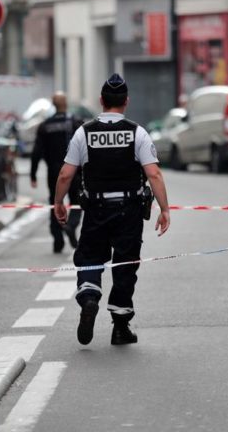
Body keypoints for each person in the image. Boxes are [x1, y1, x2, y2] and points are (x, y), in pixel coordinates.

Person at [53, 73, 170, 346]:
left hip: (95, 208)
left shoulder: (84, 132)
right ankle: (120, 327)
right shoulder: (137, 132)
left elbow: (65, 174)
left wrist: (59, 202)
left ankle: (90, 297)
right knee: (125, 264)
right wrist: (165, 209)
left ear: (101, 101)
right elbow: (153, 174)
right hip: (128, 210)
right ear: (126, 101)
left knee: (91, 257)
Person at [30, 91, 84, 253]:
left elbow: (36, 151)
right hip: (74, 170)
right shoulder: (75, 123)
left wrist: (33, 174)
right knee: (77, 201)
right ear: (66, 104)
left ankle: (58, 240)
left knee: (55, 203)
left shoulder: (45, 125)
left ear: (53, 105)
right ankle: (71, 225)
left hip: (53, 172)